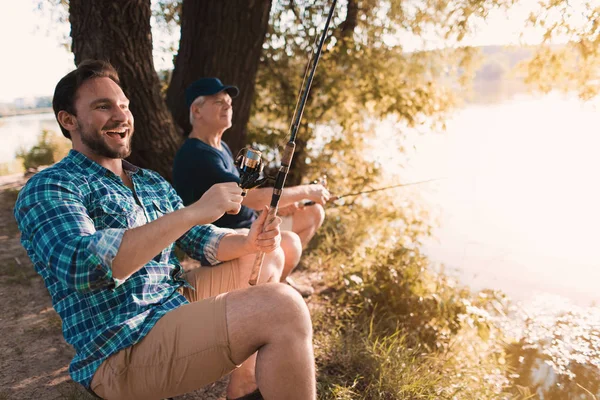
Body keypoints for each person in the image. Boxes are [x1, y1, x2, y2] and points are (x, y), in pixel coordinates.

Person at [13, 60, 316, 400]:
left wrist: (248, 240)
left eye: (124, 106)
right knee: (283, 307)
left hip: (171, 305)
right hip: (123, 348)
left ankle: (245, 385)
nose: (120, 115)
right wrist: (193, 212)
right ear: (68, 120)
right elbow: (85, 267)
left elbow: (203, 241)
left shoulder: (149, 181)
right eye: (103, 107)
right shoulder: (50, 186)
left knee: (269, 254)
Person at [172, 77, 330, 296]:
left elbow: (244, 195)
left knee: (312, 212)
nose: (228, 105)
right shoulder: (197, 155)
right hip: (227, 240)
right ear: (197, 111)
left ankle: (277, 282)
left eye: (229, 101)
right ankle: (269, 292)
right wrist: (307, 191)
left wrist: (284, 205)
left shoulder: (222, 147)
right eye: (218, 101)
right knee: (291, 243)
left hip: (251, 225)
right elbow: (252, 197)